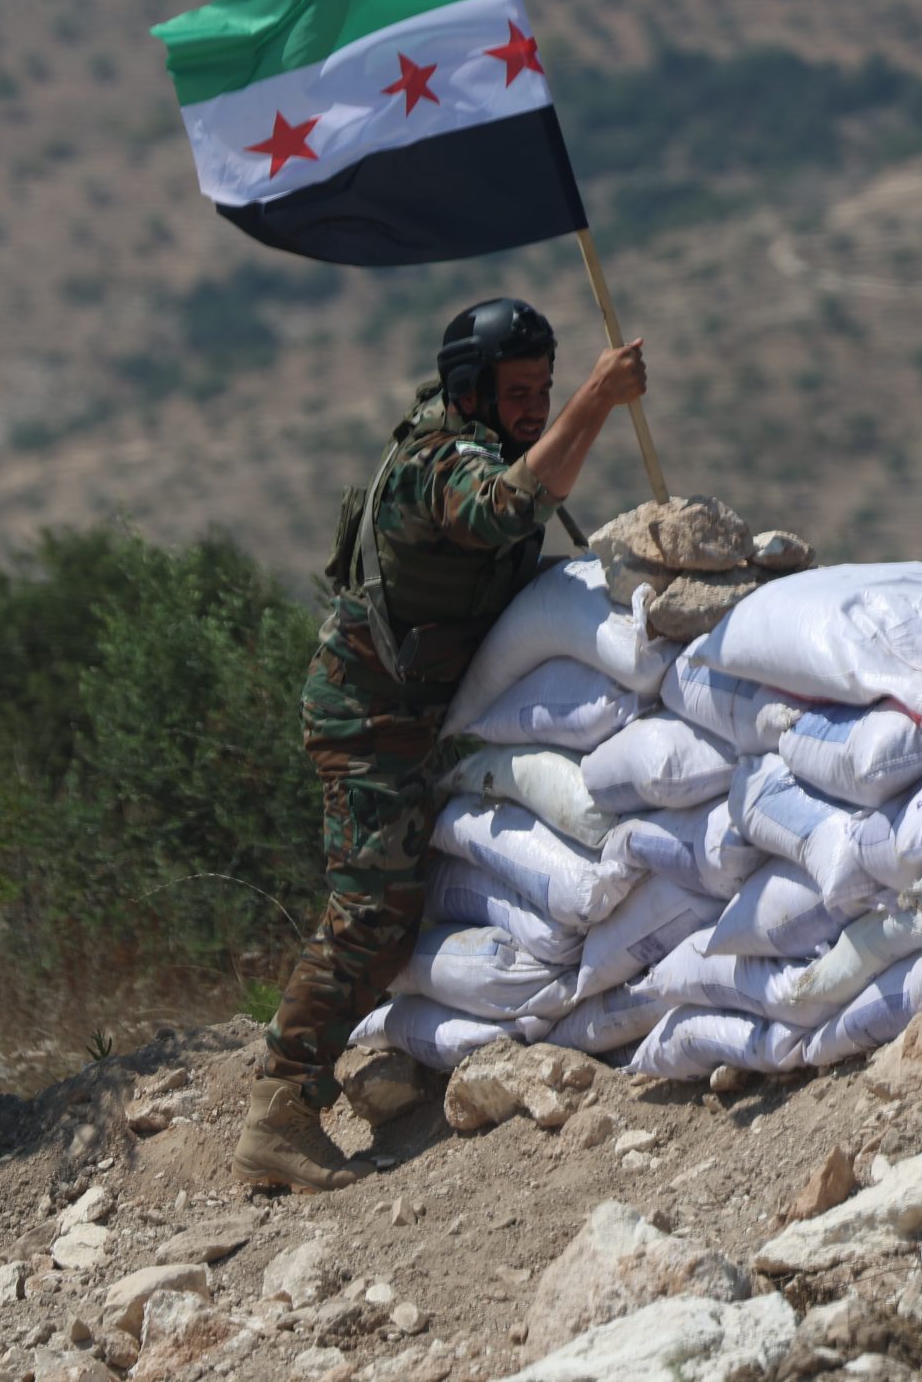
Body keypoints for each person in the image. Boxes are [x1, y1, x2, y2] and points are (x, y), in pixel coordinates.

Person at [233, 297, 649, 1192]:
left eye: (544, 389)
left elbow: (534, 489)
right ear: (472, 390)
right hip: (368, 717)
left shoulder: (494, 447)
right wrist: (595, 399)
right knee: (372, 908)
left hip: (420, 715)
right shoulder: (440, 462)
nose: (535, 407)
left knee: (404, 909)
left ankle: (368, 1061)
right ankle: (279, 1104)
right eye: (520, 391)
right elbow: (503, 509)